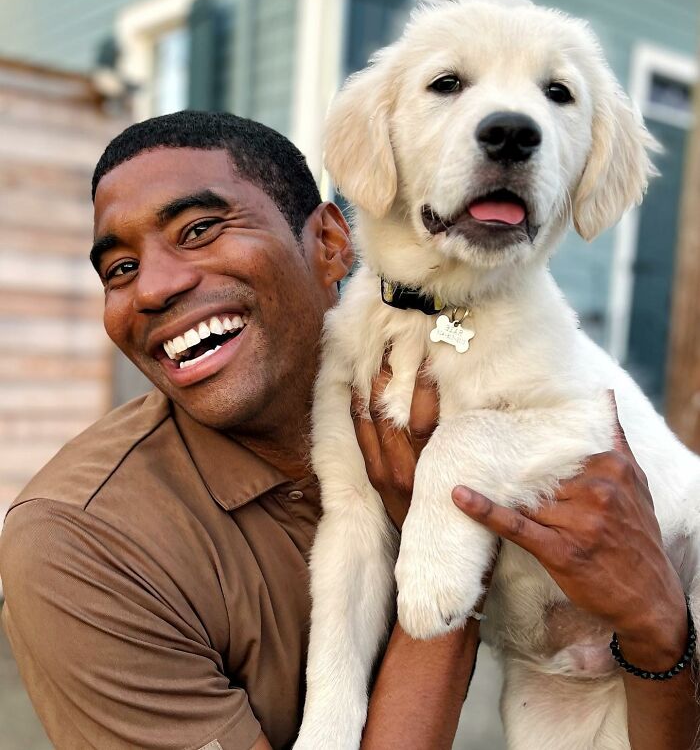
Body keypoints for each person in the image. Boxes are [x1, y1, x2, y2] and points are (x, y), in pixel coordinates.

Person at [0, 110, 696, 750]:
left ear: (331, 243)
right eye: (120, 269)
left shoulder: (455, 354)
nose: (152, 287)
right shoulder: (81, 545)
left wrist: (663, 635)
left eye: (201, 229)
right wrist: (446, 527)